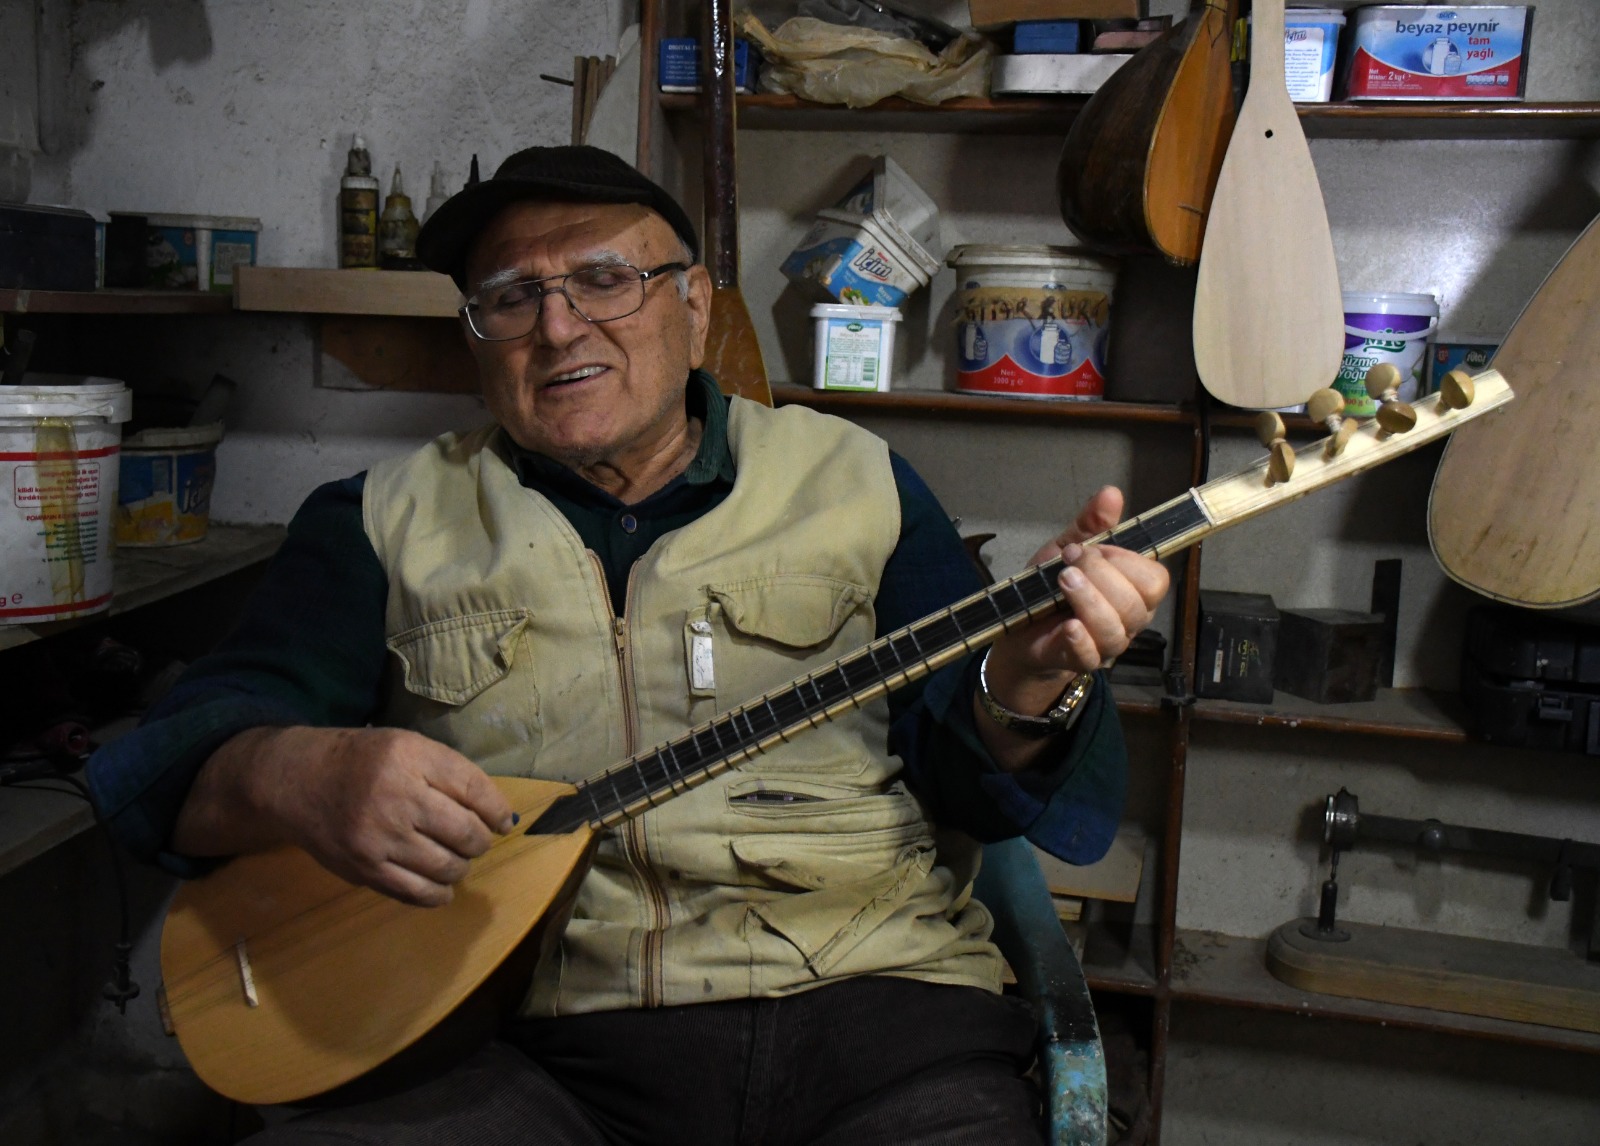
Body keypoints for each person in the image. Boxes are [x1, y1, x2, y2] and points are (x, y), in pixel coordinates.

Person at [87, 146, 1169, 1145]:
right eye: (511, 298)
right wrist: (297, 773)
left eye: (605, 279)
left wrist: (1027, 677)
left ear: (694, 308)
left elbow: (968, 782)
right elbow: (172, 760)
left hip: (878, 1016)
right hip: (529, 1041)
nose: (559, 329)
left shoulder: (856, 481)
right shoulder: (379, 519)